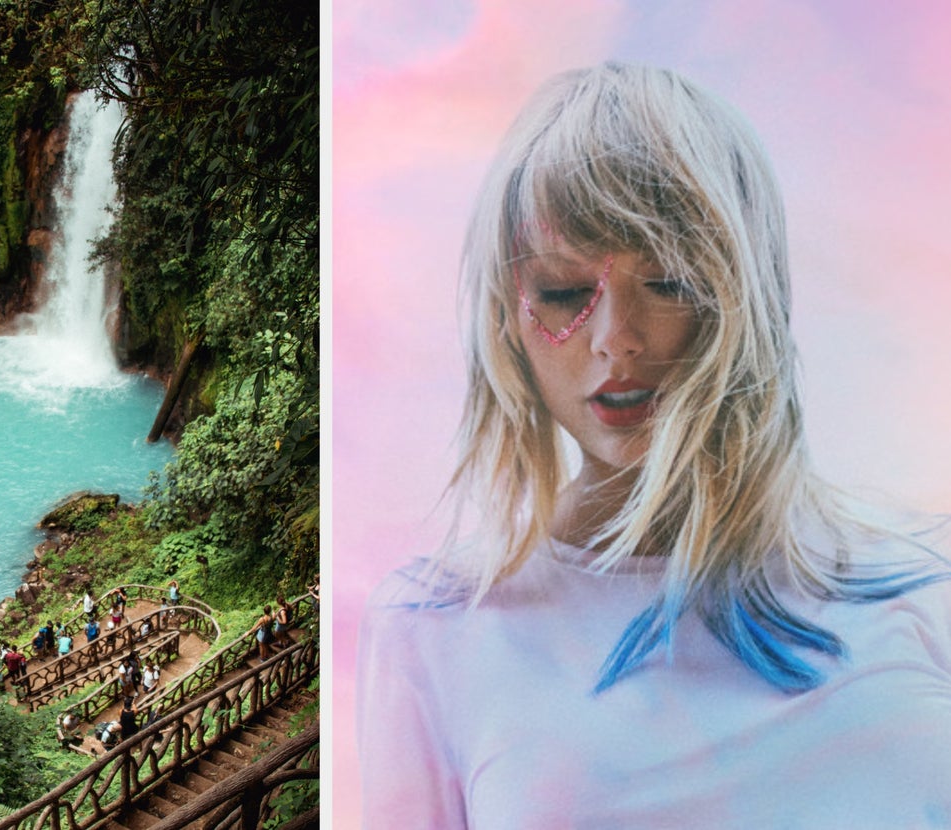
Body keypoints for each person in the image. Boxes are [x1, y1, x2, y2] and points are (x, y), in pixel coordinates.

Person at [356, 62, 951, 828]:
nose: (616, 341)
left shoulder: (928, 587)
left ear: (749, 288)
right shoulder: (432, 629)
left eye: (669, 280)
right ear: (509, 315)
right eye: (565, 292)